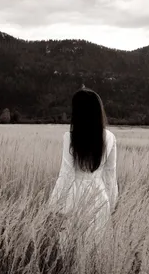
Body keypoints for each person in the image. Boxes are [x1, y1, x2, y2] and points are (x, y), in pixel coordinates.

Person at [48, 87, 118, 248]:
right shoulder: (110, 137)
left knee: (71, 249)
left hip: (75, 196)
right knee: (96, 248)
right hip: (100, 197)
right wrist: (112, 204)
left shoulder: (70, 137)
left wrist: (53, 206)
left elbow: (66, 174)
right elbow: (110, 176)